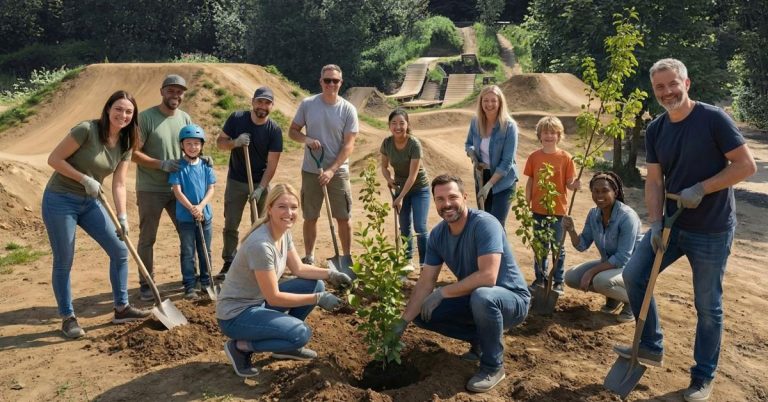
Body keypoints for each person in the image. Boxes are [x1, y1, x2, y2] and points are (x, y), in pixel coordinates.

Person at [615, 58, 756, 402]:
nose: (667, 92)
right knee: (634, 275)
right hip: (672, 226)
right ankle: (651, 344)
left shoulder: (713, 119)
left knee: (708, 306)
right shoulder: (656, 129)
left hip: (711, 230)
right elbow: (654, 180)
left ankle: (702, 376)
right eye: (659, 87)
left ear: (686, 83)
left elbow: (745, 166)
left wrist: (703, 188)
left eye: (672, 84)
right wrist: (655, 219)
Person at [393, 174, 530, 393]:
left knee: (483, 296)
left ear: (465, 197)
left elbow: (488, 277)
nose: (446, 204)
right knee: (421, 312)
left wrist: (443, 292)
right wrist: (402, 323)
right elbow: (425, 283)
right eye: (440, 199)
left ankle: (493, 366)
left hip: (510, 299)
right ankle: (480, 342)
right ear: (434, 202)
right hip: (476, 298)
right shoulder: (438, 235)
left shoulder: (484, 224)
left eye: (452, 197)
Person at [43, 90, 151, 338]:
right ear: (108, 109)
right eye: (119, 109)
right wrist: (83, 179)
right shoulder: (86, 130)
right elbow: (54, 159)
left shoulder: (126, 142)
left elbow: (119, 183)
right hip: (60, 199)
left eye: (128, 112)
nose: (123, 115)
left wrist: (122, 217)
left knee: (120, 250)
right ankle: (68, 317)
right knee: (64, 259)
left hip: (91, 202)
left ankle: (121, 308)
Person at [216, 184, 353, 377]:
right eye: (282, 206)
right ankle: (241, 347)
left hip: (258, 303)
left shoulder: (283, 232)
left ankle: (284, 345)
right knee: (301, 333)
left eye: (294, 207)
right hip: (236, 316)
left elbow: (299, 268)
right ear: (270, 208)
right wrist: (318, 298)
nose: (289, 213)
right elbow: (274, 298)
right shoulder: (261, 246)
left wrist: (331, 274)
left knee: (315, 283)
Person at [288, 64, 358, 269]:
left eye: (335, 81)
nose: (331, 84)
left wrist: (332, 170)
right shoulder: (308, 104)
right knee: (310, 216)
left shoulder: (348, 109)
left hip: (338, 171)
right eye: (327, 80)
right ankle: (309, 256)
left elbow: (349, 144)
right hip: (311, 170)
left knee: (343, 217)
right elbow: (292, 131)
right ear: (321, 82)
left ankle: (346, 258)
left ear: (341, 83)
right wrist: (307, 139)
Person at [132, 74, 194, 301]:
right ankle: (146, 283)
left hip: (178, 188)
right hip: (150, 188)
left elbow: (191, 148)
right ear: (162, 91)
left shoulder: (185, 118)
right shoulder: (146, 118)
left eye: (179, 91)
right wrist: (161, 164)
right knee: (148, 237)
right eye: (171, 90)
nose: (175, 95)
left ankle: (190, 279)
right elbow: (133, 154)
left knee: (187, 232)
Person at [215, 86, 283, 278]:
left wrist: (261, 188)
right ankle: (229, 261)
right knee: (231, 223)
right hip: (236, 180)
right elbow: (220, 143)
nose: (263, 106)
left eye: (267, 103)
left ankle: (259, 261)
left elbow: (272, 164)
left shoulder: (274, 130)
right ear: (252, 102)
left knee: (261, 224)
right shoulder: (237, 119)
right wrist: (234, 142)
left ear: (272, 106)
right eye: (259, 101)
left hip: (260, 181)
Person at [562, 172, 642, 323]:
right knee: (571, 277)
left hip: (632, 267)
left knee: (599, 280)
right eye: (596, 191)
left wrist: (590, 272)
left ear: (615, 192)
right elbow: (582, 245)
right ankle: (614, 297)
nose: (600, 195)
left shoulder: (627, 217)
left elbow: (623, 258)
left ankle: (633, 302)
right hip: (610, 265)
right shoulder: (593, 214)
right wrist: (571, 230)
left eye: (605, 191)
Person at [523, 116, 580, 294]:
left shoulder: (566, 158)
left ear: (559, 135)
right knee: (540, 247)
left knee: (557, 247)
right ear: (540, 135)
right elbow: (530, 181)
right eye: (545, 132)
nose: (549, 136)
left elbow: (569, 183)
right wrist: (526, 204)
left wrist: (575, 185)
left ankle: (558, 281)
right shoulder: (534, 157)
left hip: (558, 211)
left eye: (552, 133)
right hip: (538, 210)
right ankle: (540, 279)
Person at [169, 124, 216, 300]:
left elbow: (211, 188)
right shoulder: (178, 167)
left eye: (196, 143)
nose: (193, 147)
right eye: (189, 143)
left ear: (202, 145)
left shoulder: (206, 166)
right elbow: (177, 191)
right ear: (182, 145)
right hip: (186, 217)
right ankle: (190, 284)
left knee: (205, 250)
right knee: (188, 251)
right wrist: (192, 208)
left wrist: (201, 207)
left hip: (205, 215)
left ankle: (206, 281)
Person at [380, 109, 430, 268]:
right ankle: (408, 260)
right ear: (389, 126)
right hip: (400, 187)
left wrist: (399, 197)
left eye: (402, 123)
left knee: (420, 226)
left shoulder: (414, 144)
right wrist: (389, 179)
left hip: (419, 188)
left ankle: (425, 262)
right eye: (394, 123)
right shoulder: (387, 143)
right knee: (404, 224)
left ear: (407, 125)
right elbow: (384, 167)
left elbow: (413, 176)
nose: (398, 127)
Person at [464, 85, 519, 224]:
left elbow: (507, 161)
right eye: (485, 100)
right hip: (482, 177)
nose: (489, 104)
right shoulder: (475, 122)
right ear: (481, 102)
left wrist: (489, 186)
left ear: (500, 102)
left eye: (493, 100)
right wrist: (474, 157)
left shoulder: (509, 126)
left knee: (497, 225)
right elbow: (468, 144)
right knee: (485, 223)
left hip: (503, 181)